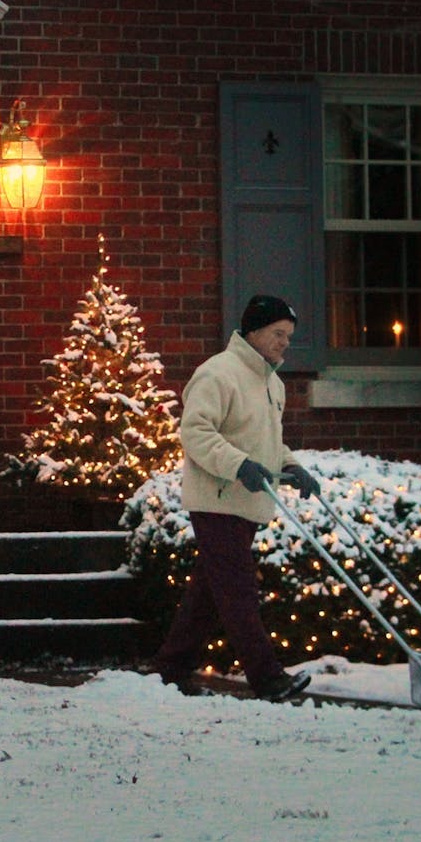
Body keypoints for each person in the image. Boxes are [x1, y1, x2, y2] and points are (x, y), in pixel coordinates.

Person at [150, 294, 320, 701]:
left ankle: (171, 667)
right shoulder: (218, 374)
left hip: (247, 502)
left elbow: (267, 443)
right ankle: (268, 678)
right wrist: (238, 465)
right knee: (239, 592)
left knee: (210, 592)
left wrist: (292, 466)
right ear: (255, 331)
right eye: (278, 333)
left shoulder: (271, 382)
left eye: (289, 336)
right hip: (218, 500)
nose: (284, 343)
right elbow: (196, 433)